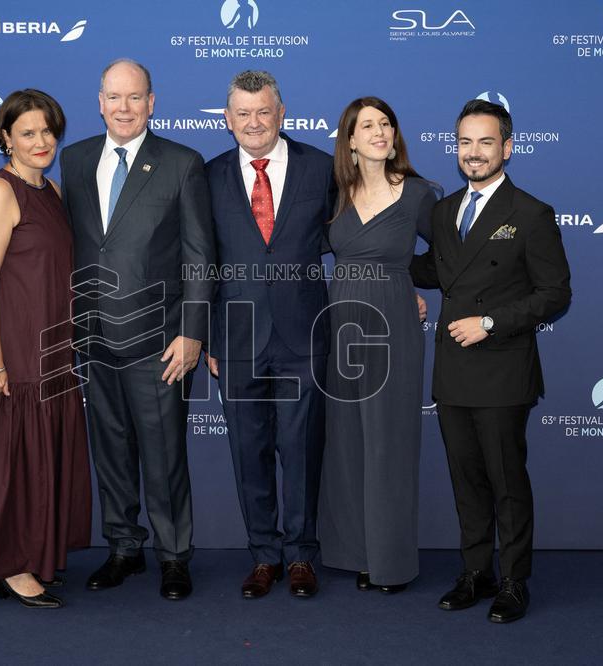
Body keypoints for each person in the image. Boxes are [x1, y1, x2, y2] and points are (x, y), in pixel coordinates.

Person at [59, 59, 216, 600]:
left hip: (160, 341)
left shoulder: (181, 162)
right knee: (111, 447)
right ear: (99, 101)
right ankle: (124, 546)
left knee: (165, 451)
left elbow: (199, 254)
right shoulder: (74, 160)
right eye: (114, 97)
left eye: (135, 97)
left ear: (152, 102)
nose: (123, 108)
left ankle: (174, 556)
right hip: (93, 335)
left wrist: (193, 331)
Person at [410, 99, 572, 623]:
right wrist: (378, 258)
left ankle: (513, 581)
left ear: (507, 147)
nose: (473, 153)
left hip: (502, 367)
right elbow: (435, 272)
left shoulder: (531, 213)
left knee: (507, 484)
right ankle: (475, 573)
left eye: (485, 142)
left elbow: (555, 294)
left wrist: (490, 323)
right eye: (464, 143)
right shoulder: (442, 210)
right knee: (467, 483)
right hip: (452, 371)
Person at [0, 89, 92, 609]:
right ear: (5, 139)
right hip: (12, 353)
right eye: (28, 133)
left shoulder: (52, 191)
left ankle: (35, 552)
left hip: (54, 349)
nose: (42, 141)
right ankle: (9, 565)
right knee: (11, 460)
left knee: (41, 458)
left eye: (48, 131)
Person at [205, 70, 335, 599]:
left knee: (301, 450)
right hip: (235, 337)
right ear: (228, 118)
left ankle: (302, 555)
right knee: (249, 451)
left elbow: (358, 235)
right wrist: (207, 335)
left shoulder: (322, 169)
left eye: (264, 111)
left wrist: (397, 285)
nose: (253, 122)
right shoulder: (207, 176)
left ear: (281, 112)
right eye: (242, 113)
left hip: (303, 334)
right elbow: (199, 260)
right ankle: (264, 556)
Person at [318, 97, 438, 595]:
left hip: (392, 323)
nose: (380, 131)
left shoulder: (418, 194)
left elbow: (450, 257)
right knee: (346, 441)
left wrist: (405, 281)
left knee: (389, 442)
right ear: (349, 140)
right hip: (342, 322)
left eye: (386, 123)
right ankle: (353, 554)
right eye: (368, 125)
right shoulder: (335, 195)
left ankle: (389, 561)